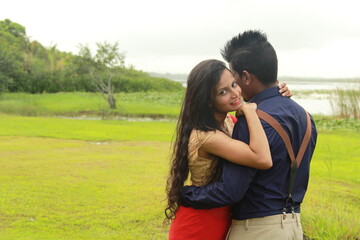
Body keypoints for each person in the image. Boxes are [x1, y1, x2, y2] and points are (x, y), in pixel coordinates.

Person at [180, 30, 318, 240]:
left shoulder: (252, 120)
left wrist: (183, 194)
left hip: (256, 229)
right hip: (294, 228)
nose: (234, 90)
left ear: (245, 76)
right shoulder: (305, 117)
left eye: (234, 80)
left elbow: (231, 191)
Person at [165, 59, 292, 240]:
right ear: (208, 101)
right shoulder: (206, 136)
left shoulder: (228, 122)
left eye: (234, 84)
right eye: (223, 92)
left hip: (222, 217)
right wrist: (249, 111)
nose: (235, 94)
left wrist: (277, 93)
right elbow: (263, 158)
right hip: (199, 223)